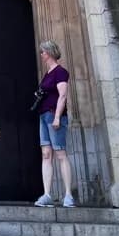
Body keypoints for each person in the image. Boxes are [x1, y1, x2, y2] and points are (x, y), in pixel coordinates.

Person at [34, 40, 75, 208]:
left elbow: (62, 96)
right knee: (46, 154)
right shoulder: (48, 74)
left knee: (60, 153)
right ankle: (47, 194)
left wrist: (58, 117)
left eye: (43, 52)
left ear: (49, 52)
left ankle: (68, 195)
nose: (41, 55)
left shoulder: (60, 72)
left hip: (53, 115)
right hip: (43, 116)